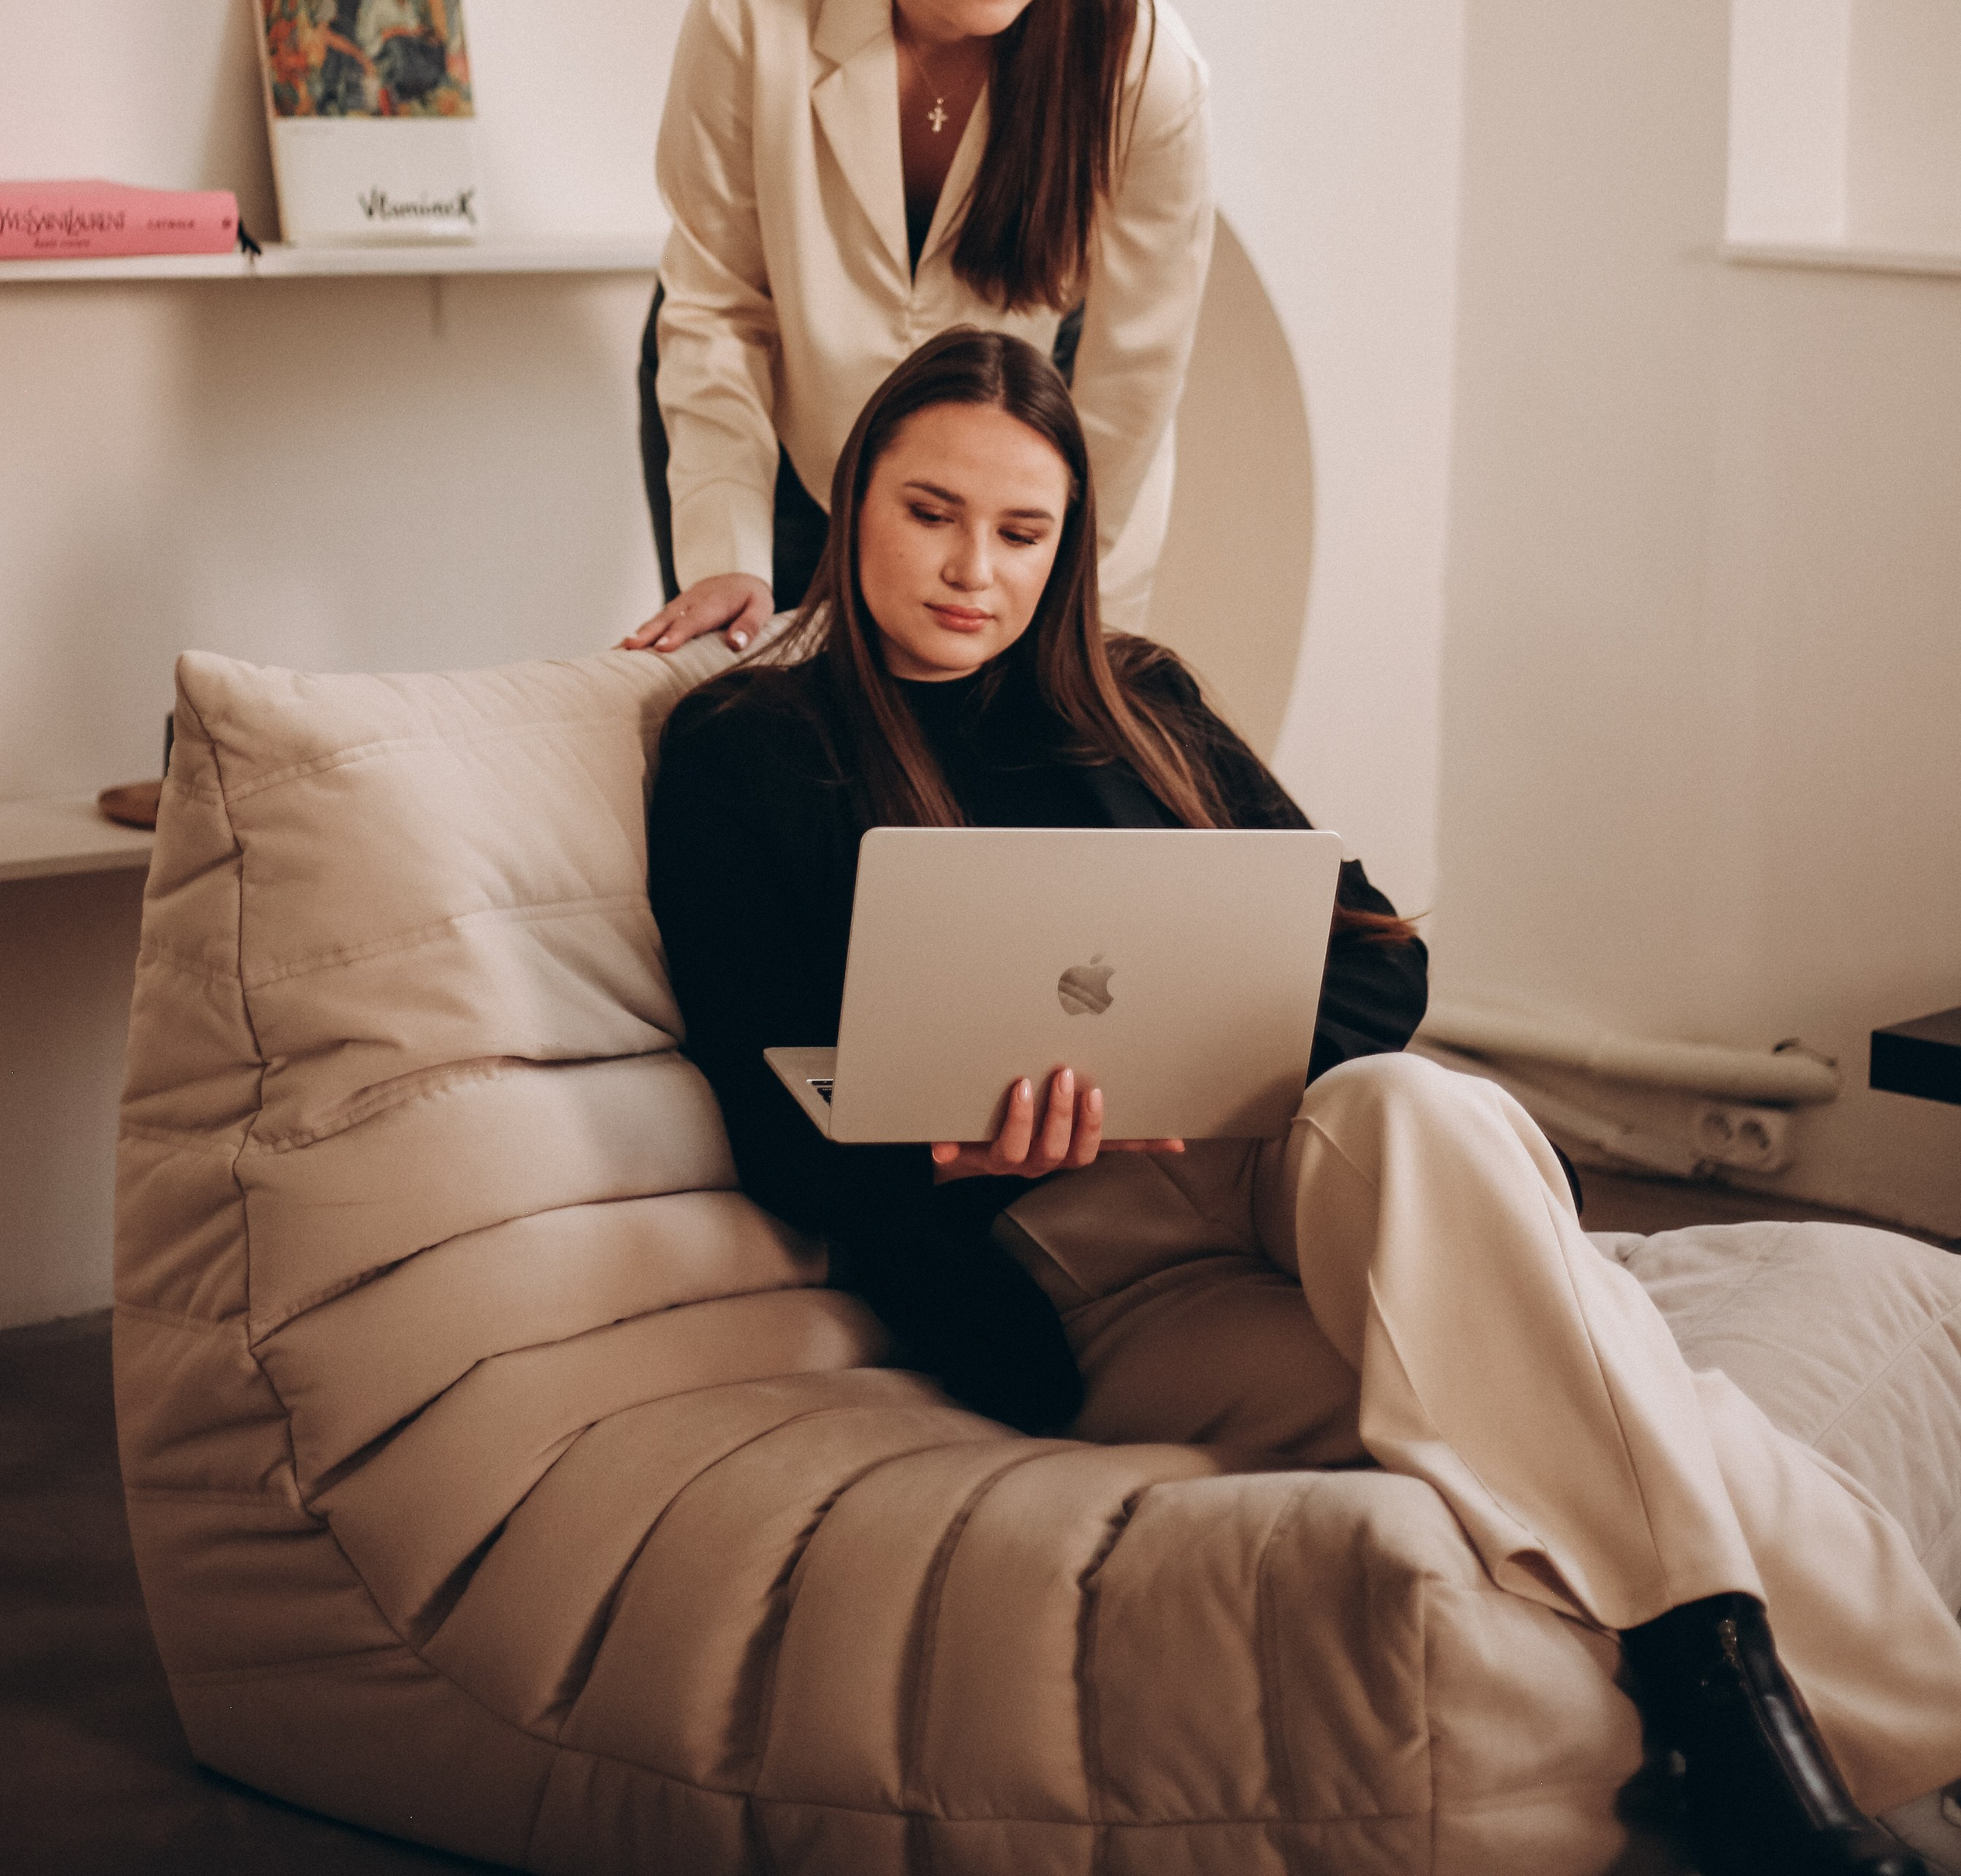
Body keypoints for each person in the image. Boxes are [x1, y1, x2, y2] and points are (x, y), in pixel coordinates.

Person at [647, 328, 1961, 1876]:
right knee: (1581, 1385)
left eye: (1020, 532)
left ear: (1067, 547)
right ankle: (1776, 1733)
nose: (970, 572)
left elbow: (1379, 963)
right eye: (930, 513)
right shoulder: (749, 752)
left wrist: (1209, 1053)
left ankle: (1751, 1754)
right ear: (853, 497)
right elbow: (769, 1120)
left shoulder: (1135, 702)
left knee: (1418, 1108)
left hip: (1289, 1163)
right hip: (1089, 1266)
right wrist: (941, 1151)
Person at [625, 0, 1213, 658]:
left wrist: (1070, 612)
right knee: (765, 715)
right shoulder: (750, 8)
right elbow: (716, 305)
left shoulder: (1141, 62)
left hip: (1000, 482)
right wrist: (725, 553)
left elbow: (1129, 379)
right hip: (771, 426)